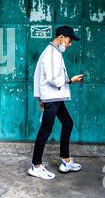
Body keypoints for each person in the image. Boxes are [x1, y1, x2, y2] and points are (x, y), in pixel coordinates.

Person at [28, 26, 84, 180]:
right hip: (52, 98)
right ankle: (36, 165)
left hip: (54, 98)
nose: (70, 43)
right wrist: (70, 80)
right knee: (46, 130)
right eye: (69, 40)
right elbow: (52, 78)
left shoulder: (54, 52)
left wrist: (41, 97)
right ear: (61, 37)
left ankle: (65, 160)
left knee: (68, 123)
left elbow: (38, 75)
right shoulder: (51, 53)